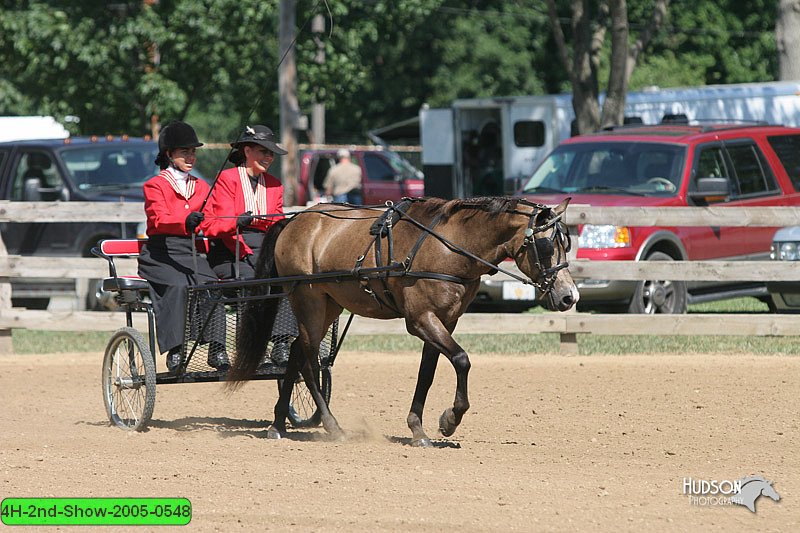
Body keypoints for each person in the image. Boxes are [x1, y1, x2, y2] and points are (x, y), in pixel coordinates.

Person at [137, 121, 229, 373]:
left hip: (190, 253)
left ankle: (217, 348)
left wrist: (235, 222)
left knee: (212, 286)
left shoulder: (201, 187)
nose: (191, 157)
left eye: (193, 152)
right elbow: (158, 219)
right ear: (169, 154)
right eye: (184, 152)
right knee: (178, 286)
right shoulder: (155, 185)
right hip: (160, 253)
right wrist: (184, 221)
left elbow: (210, 221)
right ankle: (176, 350)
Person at [205, 124, 296, 364]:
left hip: (264, 247)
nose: (268, 157)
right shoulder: (227, 179)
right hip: (229, 248)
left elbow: (276, 219)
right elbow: (220, 223)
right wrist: (238, 221)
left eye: (270, 153)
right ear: (247, 151)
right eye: (263, 152)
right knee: (250, 280)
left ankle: (280, 343)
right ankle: (247, 348)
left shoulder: (274, 184)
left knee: (287, 279)